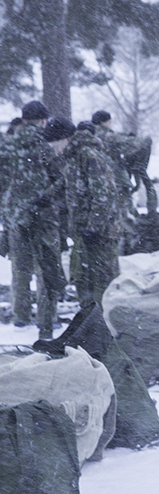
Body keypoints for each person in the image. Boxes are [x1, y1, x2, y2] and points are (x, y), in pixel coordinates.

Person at [1, 102, 66, 339]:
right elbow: (62, 179)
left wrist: (8, 212)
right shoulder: (46, 146)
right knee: (46, 268)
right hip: (44, 217)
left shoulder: (7, 147)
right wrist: (46, 198)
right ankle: (47, 318)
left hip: (15, 218)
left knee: (20, 268)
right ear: (43, 121)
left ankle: (20, 315)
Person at [50, 121, 122, 308]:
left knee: (104, 280)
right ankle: (90, 319)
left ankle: (107, 321)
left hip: (103, 232)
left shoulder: (88, 155)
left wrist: (94, 227)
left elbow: (104, 195)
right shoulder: (72, 157)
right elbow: (69, 185)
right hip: (83, 231)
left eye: (56, 145)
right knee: (83, 279)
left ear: (67, 139)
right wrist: (46, 197)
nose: (54, 150)